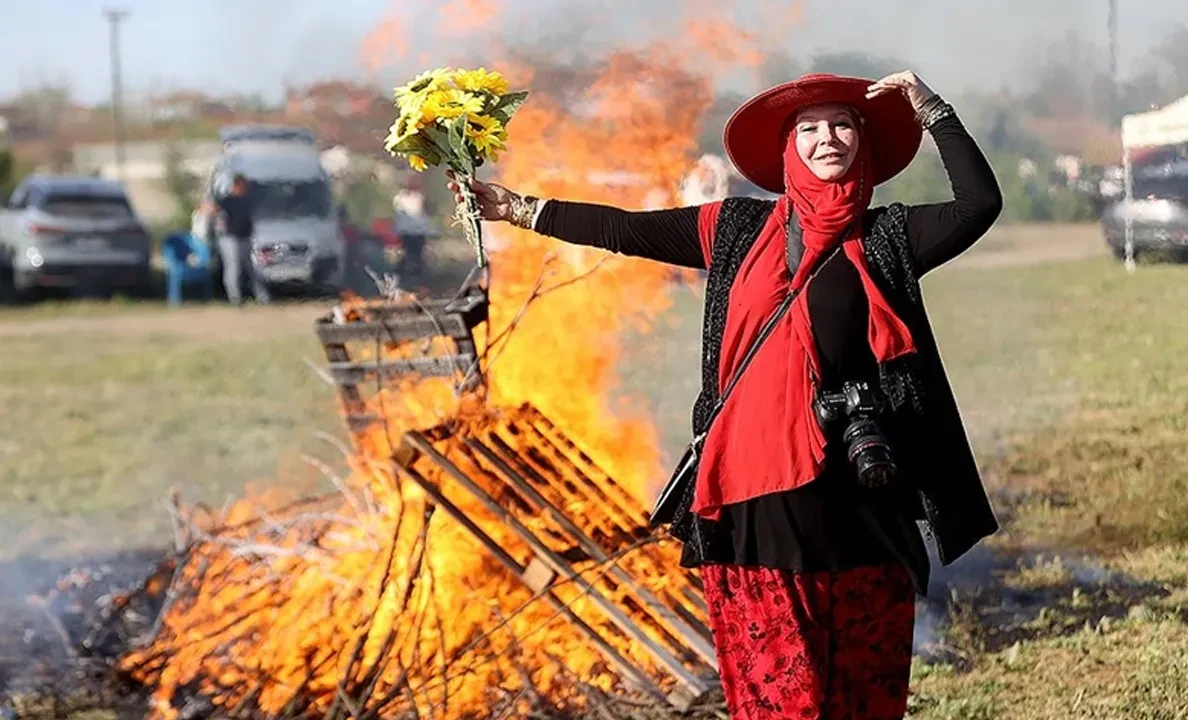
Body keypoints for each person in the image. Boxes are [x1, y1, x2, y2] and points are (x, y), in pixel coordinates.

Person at [449, 71, 1002, 720]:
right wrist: (514, 207)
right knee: (785, 698)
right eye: (810, 128)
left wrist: (932, 108)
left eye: (843, 124)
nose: (829, 137)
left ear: (864, 141)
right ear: (789, 148)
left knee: (865, 692)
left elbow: (977, 204)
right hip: (755, 495)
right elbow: (626, 229)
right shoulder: (736, 228)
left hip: (860, 487)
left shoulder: (888, 237)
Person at [205, 174, 270, 306]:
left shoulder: (247, 200)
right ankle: (235, 298)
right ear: (237, 186)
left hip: (245, 237)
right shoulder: (226, 200)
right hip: (230, 238)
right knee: (233, 268)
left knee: (251, 268)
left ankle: (262, 297)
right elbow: (210, 210)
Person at [392, 177, 438, 284]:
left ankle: (419, 278)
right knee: (408, 254)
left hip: (418, 232)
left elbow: (428, 210)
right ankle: (407, 277)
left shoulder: (420, 197)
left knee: (418, 255)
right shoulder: (400, 198)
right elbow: (399, 215)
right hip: (406, 233)